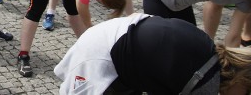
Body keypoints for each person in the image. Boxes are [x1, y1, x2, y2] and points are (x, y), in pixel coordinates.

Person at [54, 13, 251, 95]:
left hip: (116, 33)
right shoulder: (207, 82)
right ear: (241, 79)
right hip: (103, 52)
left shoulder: (210, 50)